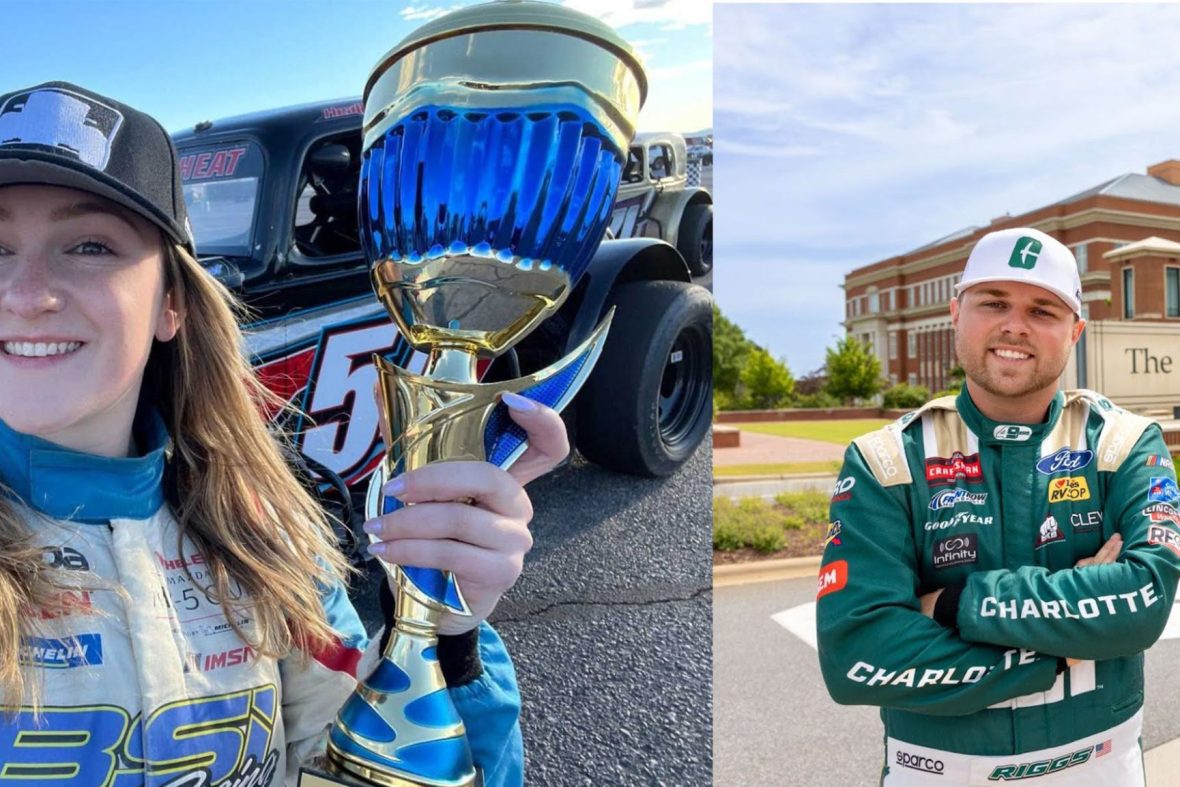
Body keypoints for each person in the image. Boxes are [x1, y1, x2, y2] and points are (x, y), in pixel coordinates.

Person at [0, 81, 566, 786]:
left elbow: (352, 767)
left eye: (88, 245)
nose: (24, 295)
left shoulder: (266, 533)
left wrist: (444, 639)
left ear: (170, 304)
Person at [817, 227, 1180, 785]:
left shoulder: (1126, 444)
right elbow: (856, 656)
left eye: (1043, 310)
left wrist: (951, 602)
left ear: (1075, 330)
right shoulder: (883, 460)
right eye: (994, 302)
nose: (1015, 325)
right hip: (936, 770)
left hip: (1100, 766)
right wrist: (1061, 651)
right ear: (957, 311)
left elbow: (1143, 603)